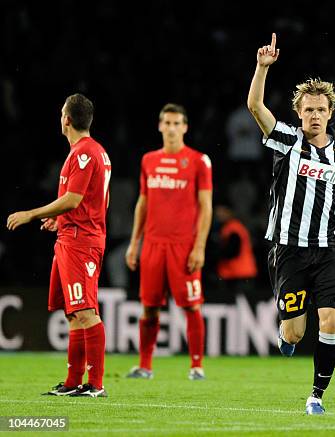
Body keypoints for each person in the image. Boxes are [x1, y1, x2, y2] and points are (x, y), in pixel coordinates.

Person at [247, 33, 335, 415]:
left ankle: (316, 395)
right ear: (299, 113)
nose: (315, 115)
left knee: (331, 320)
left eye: (321, 110)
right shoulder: (286, 139)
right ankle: (284, 332)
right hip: (288, 249)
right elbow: (255, 106)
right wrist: (261, 67)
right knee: (294, 333)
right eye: (308, 110)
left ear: (329, 113)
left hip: (328, 248)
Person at [7, 93, 111, 397]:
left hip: (81, 241)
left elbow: (75, 198)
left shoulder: (83, 153)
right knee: (73, 312)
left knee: (86, 311)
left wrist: (32, 214)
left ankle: (95, 384)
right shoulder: (96, 151)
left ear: (66, 119)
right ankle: (72, 382)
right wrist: (61, 219)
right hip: (71, 235)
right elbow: (90, 200)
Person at [125, 103, 213, 380]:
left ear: (185, 127)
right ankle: (145, 366)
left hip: (183, 245)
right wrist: (133, 243)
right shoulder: (148, 160)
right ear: (160, 126)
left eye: (177, 123)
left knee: (191, 306)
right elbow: (142, 202)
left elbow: (206, 206)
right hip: (152, 244)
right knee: (149, 307)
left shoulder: (199, 161)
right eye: (168, 123)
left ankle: (196, 366)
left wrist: (199, 246)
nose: (172, 128)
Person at [214, 204, 258, 291]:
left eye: (222, 211)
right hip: (239, 274)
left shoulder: (233, 229)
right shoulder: (231, 227)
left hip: (239, 275)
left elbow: (232, 251)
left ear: (229, 212)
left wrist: (215, 254)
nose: (218, 214)